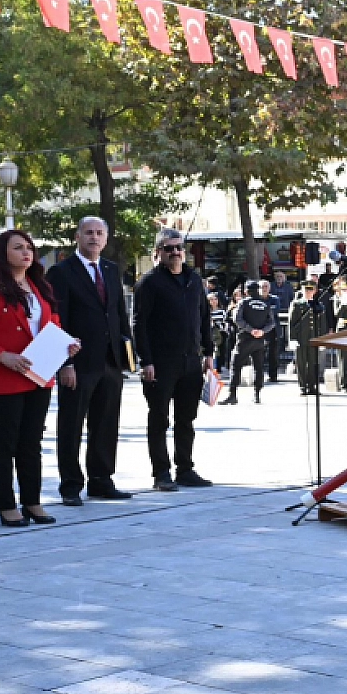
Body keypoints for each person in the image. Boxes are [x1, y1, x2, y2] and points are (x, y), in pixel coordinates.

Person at [0, 229, 79, 526]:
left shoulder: (41, 288)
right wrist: (0, 354)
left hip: (38, 376)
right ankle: (6, 506)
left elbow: (52, 323)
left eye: (29, 247)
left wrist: (65, 346)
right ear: (3, 254)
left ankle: (32, 502)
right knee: (3, 445)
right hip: (3, 378)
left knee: (31, 443)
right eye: (18, 248)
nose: (26, 252)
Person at [51, 216, 135, 504]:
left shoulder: (111, 270)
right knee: (72, 425)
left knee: (106, 423)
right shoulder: (61, 272)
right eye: (88, 232)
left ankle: (101, 480)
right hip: (78, 362)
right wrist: (65, 364)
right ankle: (71, 485)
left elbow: (119, 314)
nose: (94, 237)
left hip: (110, 361)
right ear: (77, 236)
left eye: (100, 233)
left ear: (106, 239)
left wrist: (127, 355)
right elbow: (56, 321)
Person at [132, 229, 214, 492]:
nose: (175, 252)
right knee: (159, 418)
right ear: (159, 252)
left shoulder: (194, 280)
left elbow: (204, 318)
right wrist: (146, 361)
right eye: (169, 248)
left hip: (191, 361)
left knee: (186, 419)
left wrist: (209, 353)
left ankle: (186, 469)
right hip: (160, 363)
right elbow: (139, 324)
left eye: (179, 247)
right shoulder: (149, 283)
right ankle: (161, 473)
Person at [225, 280, 276, 405]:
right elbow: (272, 323)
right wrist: (262, 331)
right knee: (258, 368)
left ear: (246, 291)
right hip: (259, 340)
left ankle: (232, 395)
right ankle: (257, 395)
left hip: (245, 339)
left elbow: (237, 319)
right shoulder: (265, 304)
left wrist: (250, 329)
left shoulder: (243, 302)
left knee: (235, 366)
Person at [288, 281, 321, 395]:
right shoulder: (297, 304)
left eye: (310, 290)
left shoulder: (317, 304)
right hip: (301, 338)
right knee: (301, 363)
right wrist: (292, 339)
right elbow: (292, 322)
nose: (308, 292)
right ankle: (303, 386)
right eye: (306, 290)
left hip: (313, 338)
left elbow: (321, 323)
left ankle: (312, 386)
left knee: (313, 363)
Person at [266, 271, 294, 382]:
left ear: (284, 278)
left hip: (286, 312)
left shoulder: (288, 286)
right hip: (272, 316)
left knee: (284, 334)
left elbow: (291, 298)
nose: (279, 278)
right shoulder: (271, 286)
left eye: (281, 277)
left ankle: (285, 347)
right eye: (277, 276)